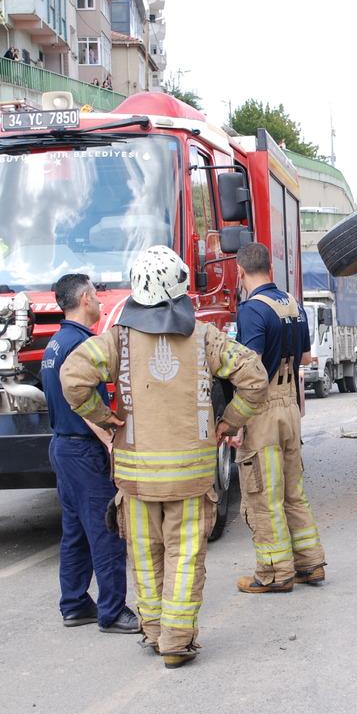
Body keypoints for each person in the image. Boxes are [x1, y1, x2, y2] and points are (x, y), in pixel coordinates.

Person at [61, 246, 268, 668]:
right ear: (180, 287)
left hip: (135, 481)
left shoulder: (115, 340)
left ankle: (154, 631)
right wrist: (229, 421)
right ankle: (176, 641)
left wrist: (106, 419)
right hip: (190, 479)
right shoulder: (206, 337)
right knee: (185, 556)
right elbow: (255, 378)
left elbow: (73, 379)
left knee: (146, 555)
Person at [41, 274, 138, 634]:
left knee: (75, 531)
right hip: (83, 448)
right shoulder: (82, 346)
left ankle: (75, 603)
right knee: (105, 529)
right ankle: (112, 611)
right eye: (96, 296)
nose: (99, 303)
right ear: (84, 298)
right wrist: (111, 438)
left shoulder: (56, 343)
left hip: (62, 447)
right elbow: (84, 404)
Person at [233, 242, 327, 593]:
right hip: (290, 405)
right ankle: (310, 563)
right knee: (293, 490)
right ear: (269, 268)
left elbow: (250, 367)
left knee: (263, 493)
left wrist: (236, 417)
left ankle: (274, 573)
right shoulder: (293, 305)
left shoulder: (252, 310)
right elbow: (304, 357)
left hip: (264, 408)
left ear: (241, 272)